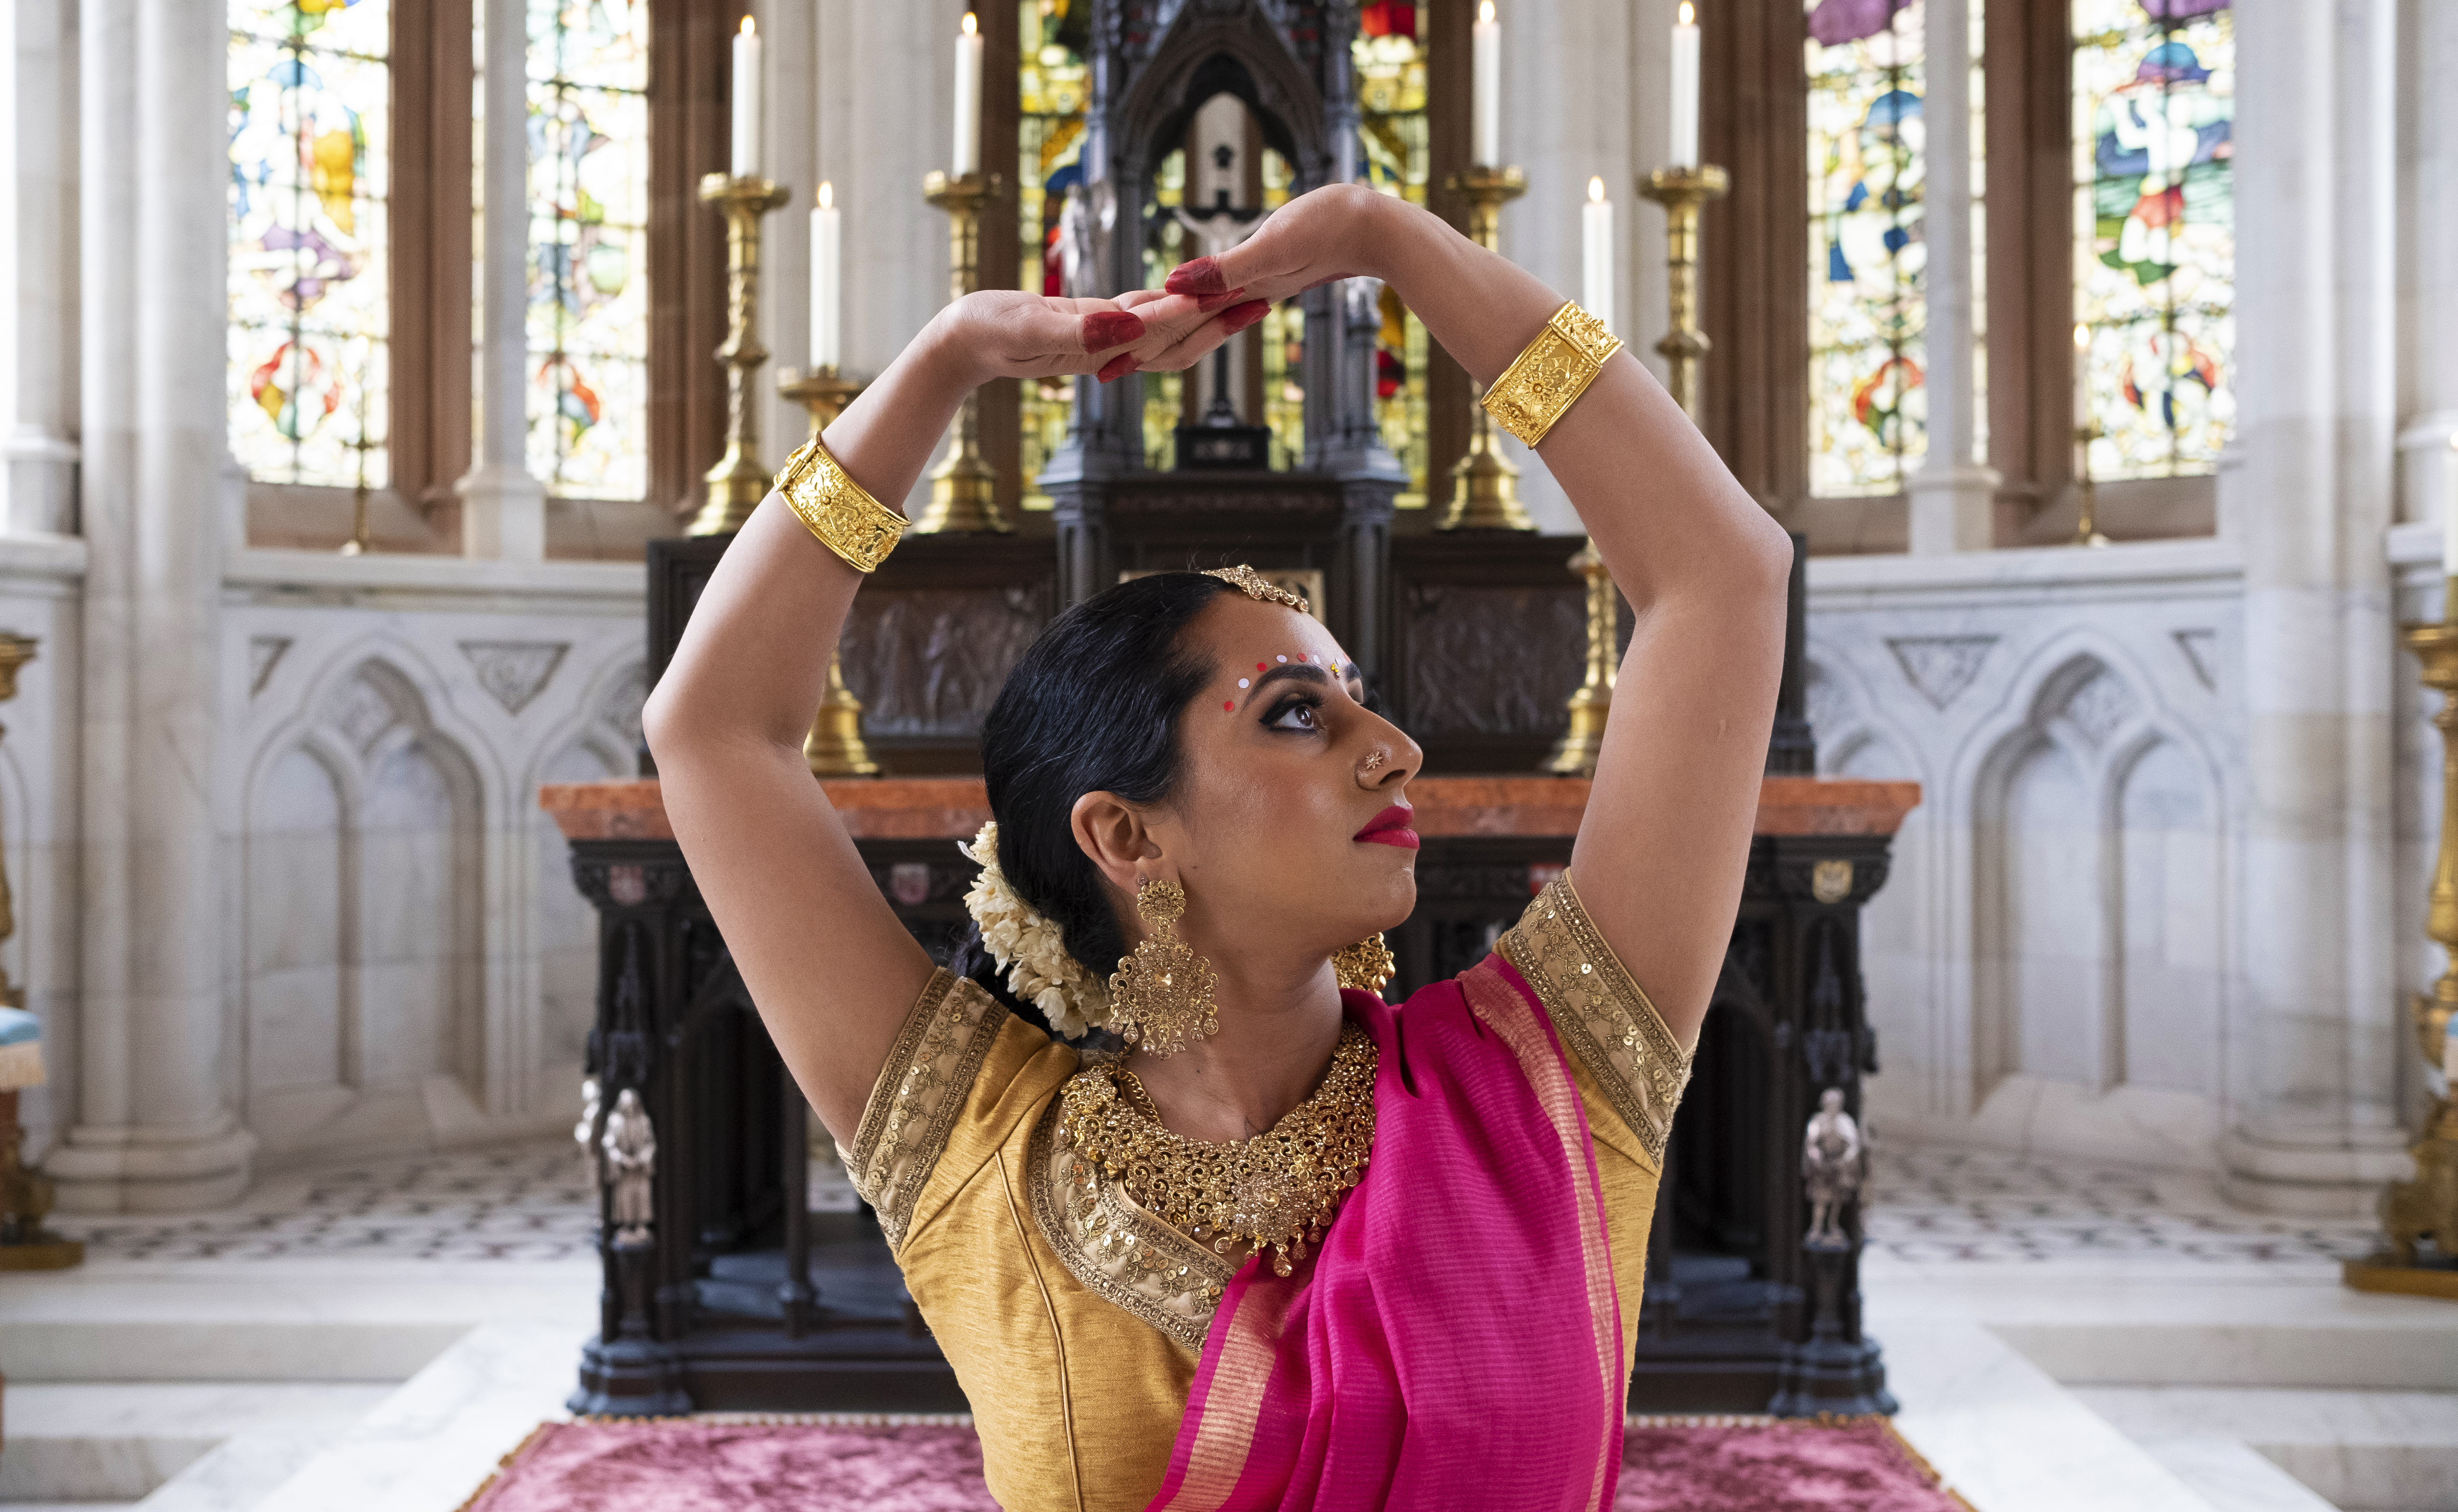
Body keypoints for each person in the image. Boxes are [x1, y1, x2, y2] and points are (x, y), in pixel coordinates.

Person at [643, 182, 1792, 1510]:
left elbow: (1725, 572)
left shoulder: (1543, 1081)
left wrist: (1395, 242)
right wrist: (946, 359)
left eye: (1358, 696)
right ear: (1127, 834)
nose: (1395, 745)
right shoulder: (983, 1147)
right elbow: (713, 729)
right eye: (1300, 714)